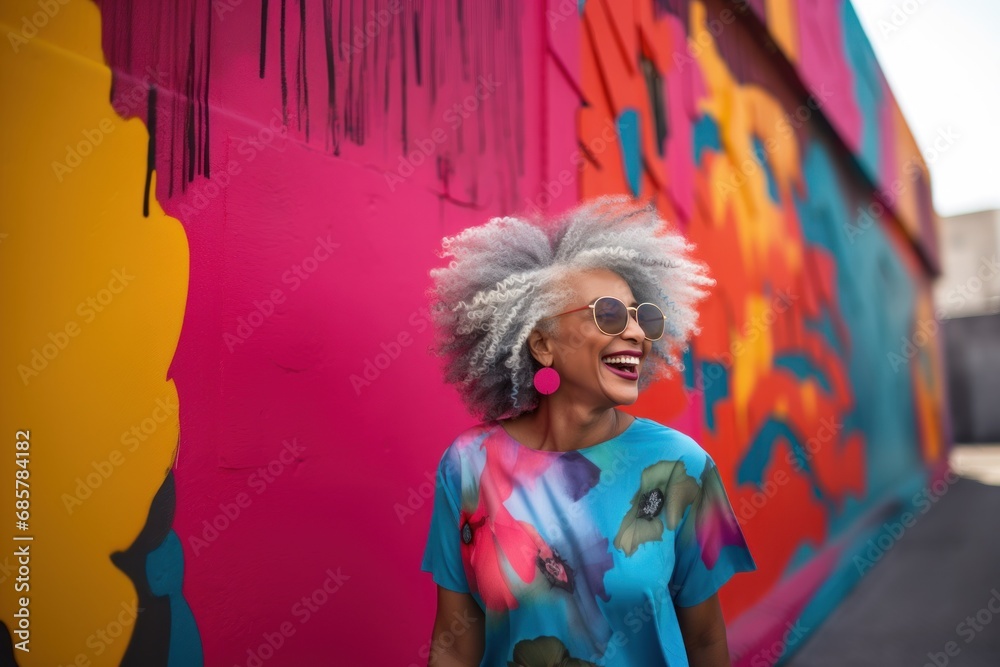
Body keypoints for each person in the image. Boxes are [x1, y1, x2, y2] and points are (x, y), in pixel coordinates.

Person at [420, 196, 756, 666]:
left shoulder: (682, 468)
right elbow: (454, 644)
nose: (638, 333)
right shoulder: (469, 466)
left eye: (642, 318)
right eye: (610, 315)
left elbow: (704, 640)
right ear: (542, 344)